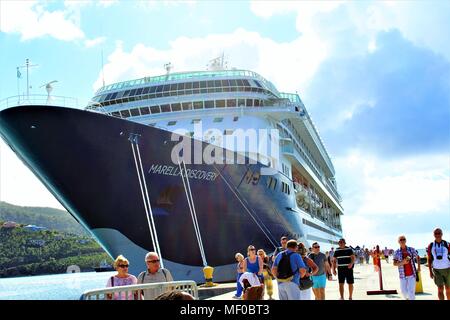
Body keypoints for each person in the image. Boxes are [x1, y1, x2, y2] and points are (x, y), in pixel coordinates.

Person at [393, 236, 420, 300]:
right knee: (403, 292)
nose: (402, 241)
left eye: (403, 239)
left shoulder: (411, 249)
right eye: (401, 240)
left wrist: (419, 267)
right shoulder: (396, 252)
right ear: (398, 242)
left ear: (405, 240)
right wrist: (402, 263)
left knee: (411, 292)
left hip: (412, 274)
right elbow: (394, 263)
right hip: (402, 275)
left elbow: (418, 257)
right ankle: (407, 298)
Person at [427, 228, 450, 300]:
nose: (437, 235)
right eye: (436, 233)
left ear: (442, 234)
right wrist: (430, 271)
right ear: (433, 235)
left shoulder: (447, 244)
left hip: (448, 269)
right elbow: (429, 258)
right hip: (437, 270)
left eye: (439, 233)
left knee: (448, 289)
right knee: (440, 289)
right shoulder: (431, 245)